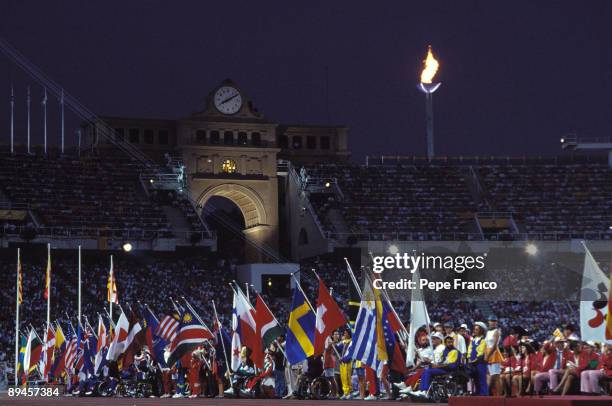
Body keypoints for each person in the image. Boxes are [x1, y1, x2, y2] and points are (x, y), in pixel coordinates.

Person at [467, 321, 489, 396]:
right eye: (474, 329)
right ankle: (477, 394)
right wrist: (469, 358)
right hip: (473, 363)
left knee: (482, 379)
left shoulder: (483, 340)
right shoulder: (473, 340)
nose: (474, 331)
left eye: (477, 329)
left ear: (481, 330)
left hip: (480, 363)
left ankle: (484, 395)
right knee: (476, 379)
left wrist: (475, 360)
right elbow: (469, 349)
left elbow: (481, 352)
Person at [485, 315, 503, 395]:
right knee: (492, 376)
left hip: (494, 353)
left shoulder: (497, 331)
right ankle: (490, 393)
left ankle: (500, 396)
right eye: (491, 321)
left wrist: (488, 356)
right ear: (488, 322)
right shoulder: (488, 331)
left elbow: (495, 345)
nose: (493, 322)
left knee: (496, 377)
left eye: (494, 321)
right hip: (488, 352)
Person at [337, 329, 353, 399]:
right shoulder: (343, 342)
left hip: (348, 362)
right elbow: (337, 349)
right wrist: (332, 342)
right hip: (342, 362)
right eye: (344, 333)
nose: (344, 334)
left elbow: (350, 353)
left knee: (347, 377)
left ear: (349, 334)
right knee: (343, 377)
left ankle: (349, 392)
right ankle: (345, 392)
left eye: (346, 333)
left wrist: (344, 359)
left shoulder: (352, 342)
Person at [323, 331, 340, 399]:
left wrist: (332, 341)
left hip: (329, 362)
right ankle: (333, 393)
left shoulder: (329, 341)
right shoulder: (327, 341)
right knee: (329, 379)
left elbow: (328, 348)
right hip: (327, 362)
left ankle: (336, 393)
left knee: (332, 378)